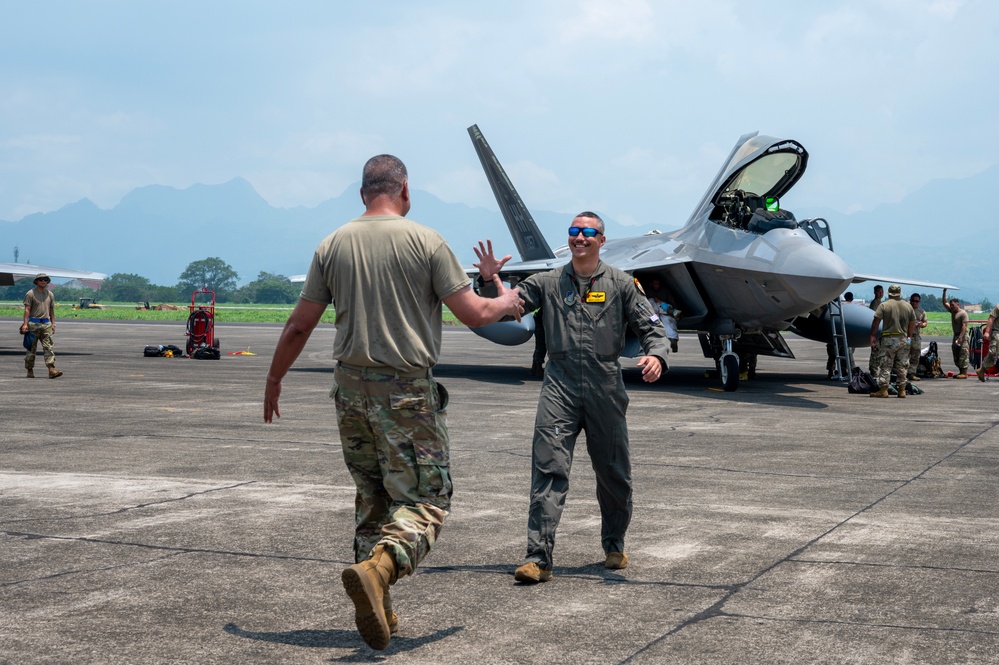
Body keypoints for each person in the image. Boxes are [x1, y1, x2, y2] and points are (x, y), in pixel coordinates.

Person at [263, 155, 524, 651]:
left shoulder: (332, 244)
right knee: (427, 498)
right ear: (405, 190)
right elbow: (476, 315)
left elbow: (300, 325)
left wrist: (275, 377)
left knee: (373, 496)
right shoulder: (426, 241)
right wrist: (506, 301)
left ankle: (379, 605)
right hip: (404, 391)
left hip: (350, 391)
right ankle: (380, 571)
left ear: (363, 194)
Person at [474, 212, 669, 584]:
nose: (580, 238)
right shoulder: (547, 282)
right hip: (559, 387)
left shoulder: (622, 284)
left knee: (614, 475)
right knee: (549, 469)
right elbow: (505, 308)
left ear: (601, 240)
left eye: (588, 232)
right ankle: (538, 558)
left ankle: (614, 544)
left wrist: (657, 355)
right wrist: (487, 282)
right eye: (574, 232)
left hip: (605, 388)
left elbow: (652, 327)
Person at [868, 285, 915, 398]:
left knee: (885, 365)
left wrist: (873, 335)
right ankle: (902, 390)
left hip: (888, 339)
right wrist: (909, 336)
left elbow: (876, 320)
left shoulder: (884, 305)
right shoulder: (908, 306)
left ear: (889, 294)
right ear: (900, 293)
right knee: (902, 366)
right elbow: (912, 322)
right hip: (903, 339)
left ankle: (883, 390)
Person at [20, 273, 62, 379]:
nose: (43, 281)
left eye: (45, 279)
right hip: (33, 324)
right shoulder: (30, 294)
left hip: (46, 324)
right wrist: (25, 324)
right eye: (40, 280)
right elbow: (27, 309)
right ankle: (30, 370)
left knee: (48, 347)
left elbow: (52, 310)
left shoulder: (50, 294)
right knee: (31, 349)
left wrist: (53, 324)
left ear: (47, 281)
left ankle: (51, 369)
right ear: (36, 281)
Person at [648, 277, 679, 353]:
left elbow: (672, 303)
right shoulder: (648, 292)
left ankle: (673, 340)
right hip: (653, 314)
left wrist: (660, 302)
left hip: (664, 313)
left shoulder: (665, 291)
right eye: (655, 284)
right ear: (651, 284)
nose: (657, 285)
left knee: (669, 321)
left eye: (658, 284)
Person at [942, 288, 969, 378]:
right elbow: (944, 303)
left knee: (963, 353)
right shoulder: (952, 312)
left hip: (963, 335)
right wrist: (944, 292)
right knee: (956, 352)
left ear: (958, 304)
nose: (951, 306)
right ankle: (960, 371)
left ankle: (964, 373)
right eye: (951, 305)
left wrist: (961, 337)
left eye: (953, 305)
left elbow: (964, 326)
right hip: (956, 335)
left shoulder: (963, 313)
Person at [976, 301, 999, 381]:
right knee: (993, 353)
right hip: (997, 333)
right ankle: (982, 370)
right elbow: (991, 318)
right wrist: (987, 332)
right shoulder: (998, 307)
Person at [907, 293, 927, 381]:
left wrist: (922, 325)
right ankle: (902, 373)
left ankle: (911, 373)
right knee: (904, 354)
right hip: (906, 336)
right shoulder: (906, 309)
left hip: (915, 336)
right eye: (912, 301)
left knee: (915, 355)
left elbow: (925, 322)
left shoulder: (921, 311)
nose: (914, 303)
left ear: (919, 302)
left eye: (916, 301)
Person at [867, 285, 885, 375]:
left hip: (880, 331)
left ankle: (874, 369)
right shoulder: (875, 303)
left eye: (882, 291)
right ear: (875, 292)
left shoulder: (880, 303)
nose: (880, 293)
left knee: (879, 352)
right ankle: (873, 369)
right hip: (876, 331)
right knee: (875, 351)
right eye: (878, 291)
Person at [531, 304, 547, 377]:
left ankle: (535, 367)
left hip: (539, 320)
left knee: (540, 345)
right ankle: (538, 368)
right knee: (541, 346)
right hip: (541, 321)